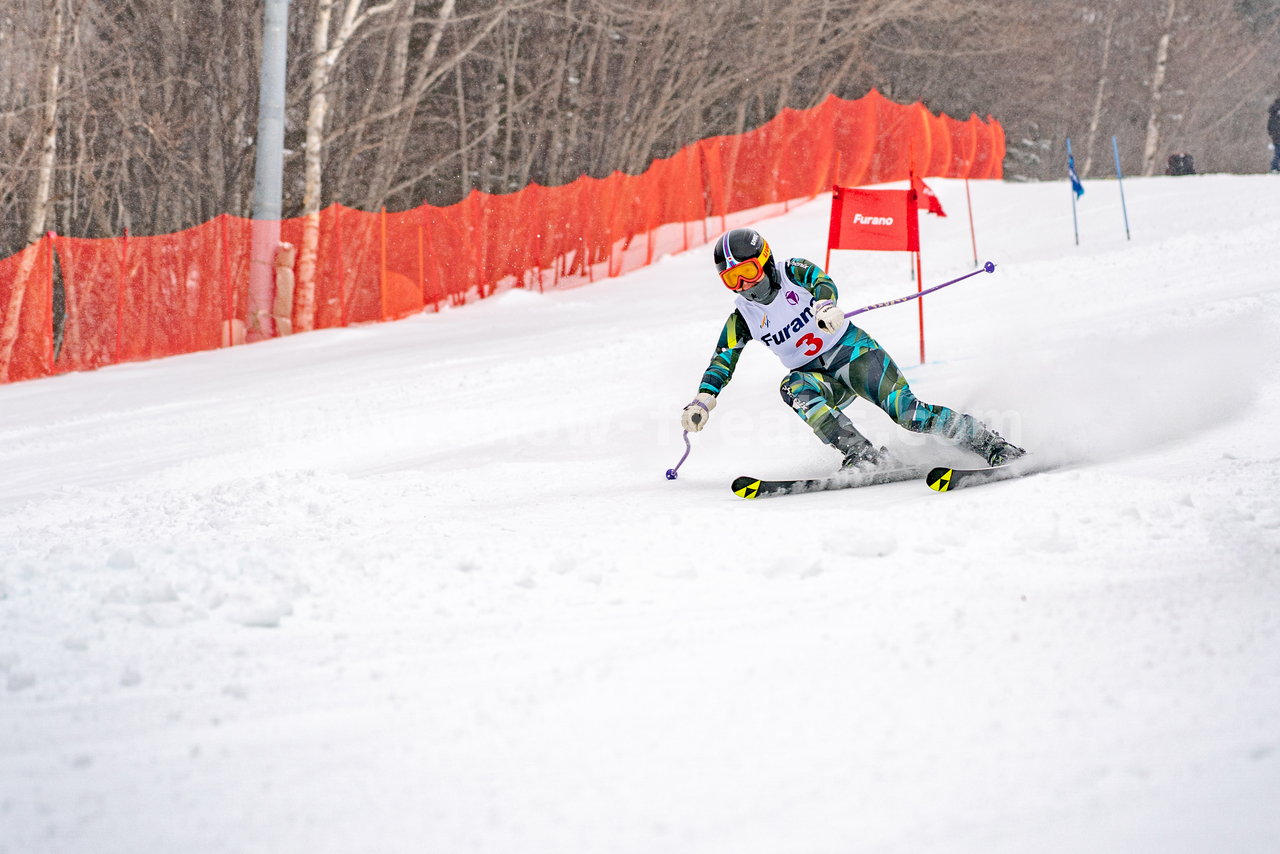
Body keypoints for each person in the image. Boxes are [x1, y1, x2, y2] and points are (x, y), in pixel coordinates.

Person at [680, 227, 1024, 470]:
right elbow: (722, 360)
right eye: (732, 280)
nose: (744, 286)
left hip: (854, 355)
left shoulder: (791, 271)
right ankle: (863, 456)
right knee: (792, 387)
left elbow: (821, 281)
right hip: (817, 378)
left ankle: (991, 444)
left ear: (766, 261)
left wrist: (826, 305)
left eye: (749, 272)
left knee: (909, 415)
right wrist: (703, 400)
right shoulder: (743, 316)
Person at [1269, 97, 1280, 173]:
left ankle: (1274, 168)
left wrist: (1272, 133)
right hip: (1277, 135)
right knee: (1277, 152)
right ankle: (1274, 168)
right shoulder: (1277, 113)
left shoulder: (1273, 113)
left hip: (1275, 136)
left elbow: (1269, 126)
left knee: (1277, 152)